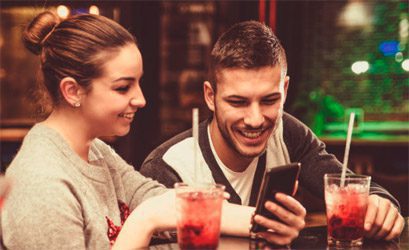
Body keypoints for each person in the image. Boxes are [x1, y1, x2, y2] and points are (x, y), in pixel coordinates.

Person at [0, 12, 306, 250]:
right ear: (72, 91)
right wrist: (144, 222)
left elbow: (162, 201)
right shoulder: (41, 184)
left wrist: (266, 223)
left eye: (138, 82)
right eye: (123, 87)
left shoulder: (95, 151)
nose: (141, 99)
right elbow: (154, 211)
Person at [140, 20, 405, 241]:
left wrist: (380, 203)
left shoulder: (288, 132)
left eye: (269, 100)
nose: (255, 120)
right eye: (238, 102)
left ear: (285, 90)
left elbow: (346, 184)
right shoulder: (166, 168)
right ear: (210, 96)